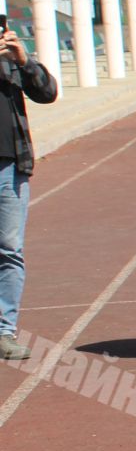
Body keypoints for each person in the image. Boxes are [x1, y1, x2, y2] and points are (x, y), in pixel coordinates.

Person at [0, 18, 58, 362]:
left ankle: (4, 331)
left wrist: (24, 60)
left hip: (10, 166)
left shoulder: (11, 59)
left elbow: (47, 93)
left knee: (9, 251)